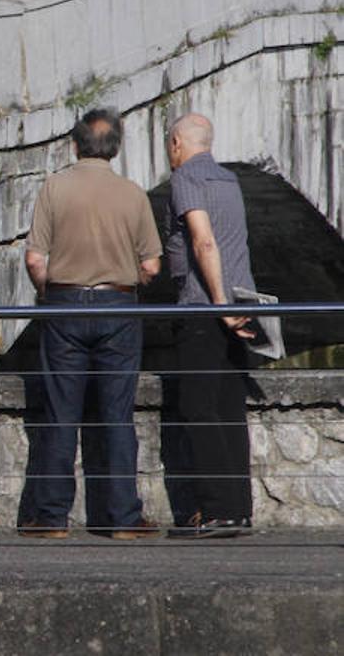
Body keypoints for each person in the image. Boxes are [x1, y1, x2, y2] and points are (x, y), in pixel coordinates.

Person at [17, 107, 162, 539]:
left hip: (64, 306)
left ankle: (51, 516)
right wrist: (125, 279)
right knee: (118, 415)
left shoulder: (54, 188)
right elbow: (151, 265)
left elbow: (34, 258)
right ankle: (122, 518)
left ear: (75, 143)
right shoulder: (134, 194)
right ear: (115, 146)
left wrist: (50, 290)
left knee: (61, 412)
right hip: (118, 307)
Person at [162, 113, 257, 538]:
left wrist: (218, 304)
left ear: (179, 142)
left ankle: (216, 511)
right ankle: (239, 509)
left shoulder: (187, 180)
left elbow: (203, 240)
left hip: (205, 309)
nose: (169, 153)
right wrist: (235, 307)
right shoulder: (229, 181)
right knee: (229, 410)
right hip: (240, 308)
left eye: (170, 144)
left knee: (199, 408)